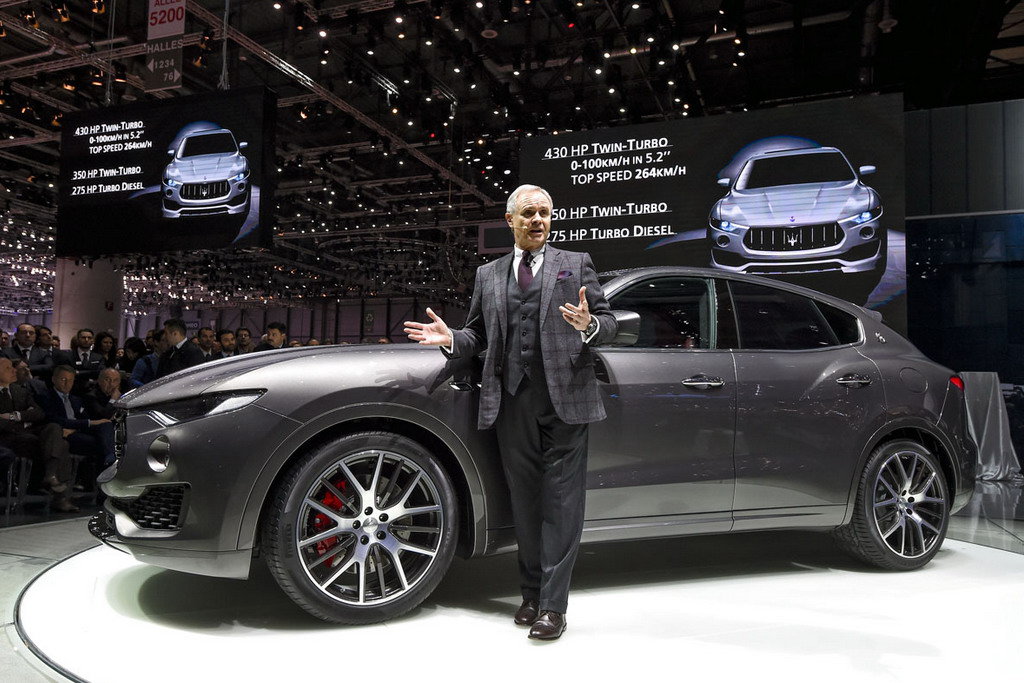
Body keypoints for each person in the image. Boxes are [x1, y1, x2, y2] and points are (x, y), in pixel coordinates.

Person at [405, 184, 617, 641]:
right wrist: (451, 339)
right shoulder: (489, 274)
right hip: (510, 399)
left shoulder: (575, 263)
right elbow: (478, 335)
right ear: (510, 220)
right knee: (525, 502)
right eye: (528, 213)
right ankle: (531, 594)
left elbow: (609, 323)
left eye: (545, 212)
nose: (538, 220)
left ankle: (554, 607)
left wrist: (591, 325)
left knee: (562, 504)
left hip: (566, 400)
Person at [0, 358, 77, 511]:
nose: (14, 370)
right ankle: (59, 496)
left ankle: (50, 475)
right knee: (61, 444)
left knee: (54, 428)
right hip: (6, 438)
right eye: (8, 368)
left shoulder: (20, 390)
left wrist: (15, 416)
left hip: (27, 435)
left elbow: (39, 413)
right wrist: (25, 418)